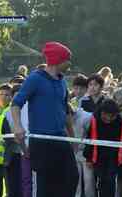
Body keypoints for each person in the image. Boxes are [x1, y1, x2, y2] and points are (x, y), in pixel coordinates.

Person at [12, 41, 79, 197]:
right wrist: (17, 126)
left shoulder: (62, 81)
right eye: (67, 59)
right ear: (57, 60)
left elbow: (65, 111)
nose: (70, 63)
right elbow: (16, 104)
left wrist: (72, 136)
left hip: (61, 139)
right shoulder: (35, 79)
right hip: (41, 142)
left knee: (71, 177)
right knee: (46, 186)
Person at [83, 99, 122, 197]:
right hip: (98, 157)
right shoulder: (94, 120)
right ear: (102, 112)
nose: (109, 119)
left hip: (113, 157)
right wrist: (88, 158)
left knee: (110, 181)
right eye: (106, 115)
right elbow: (89, 140)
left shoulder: (120, 122)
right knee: (100, 181)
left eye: (112, 116)